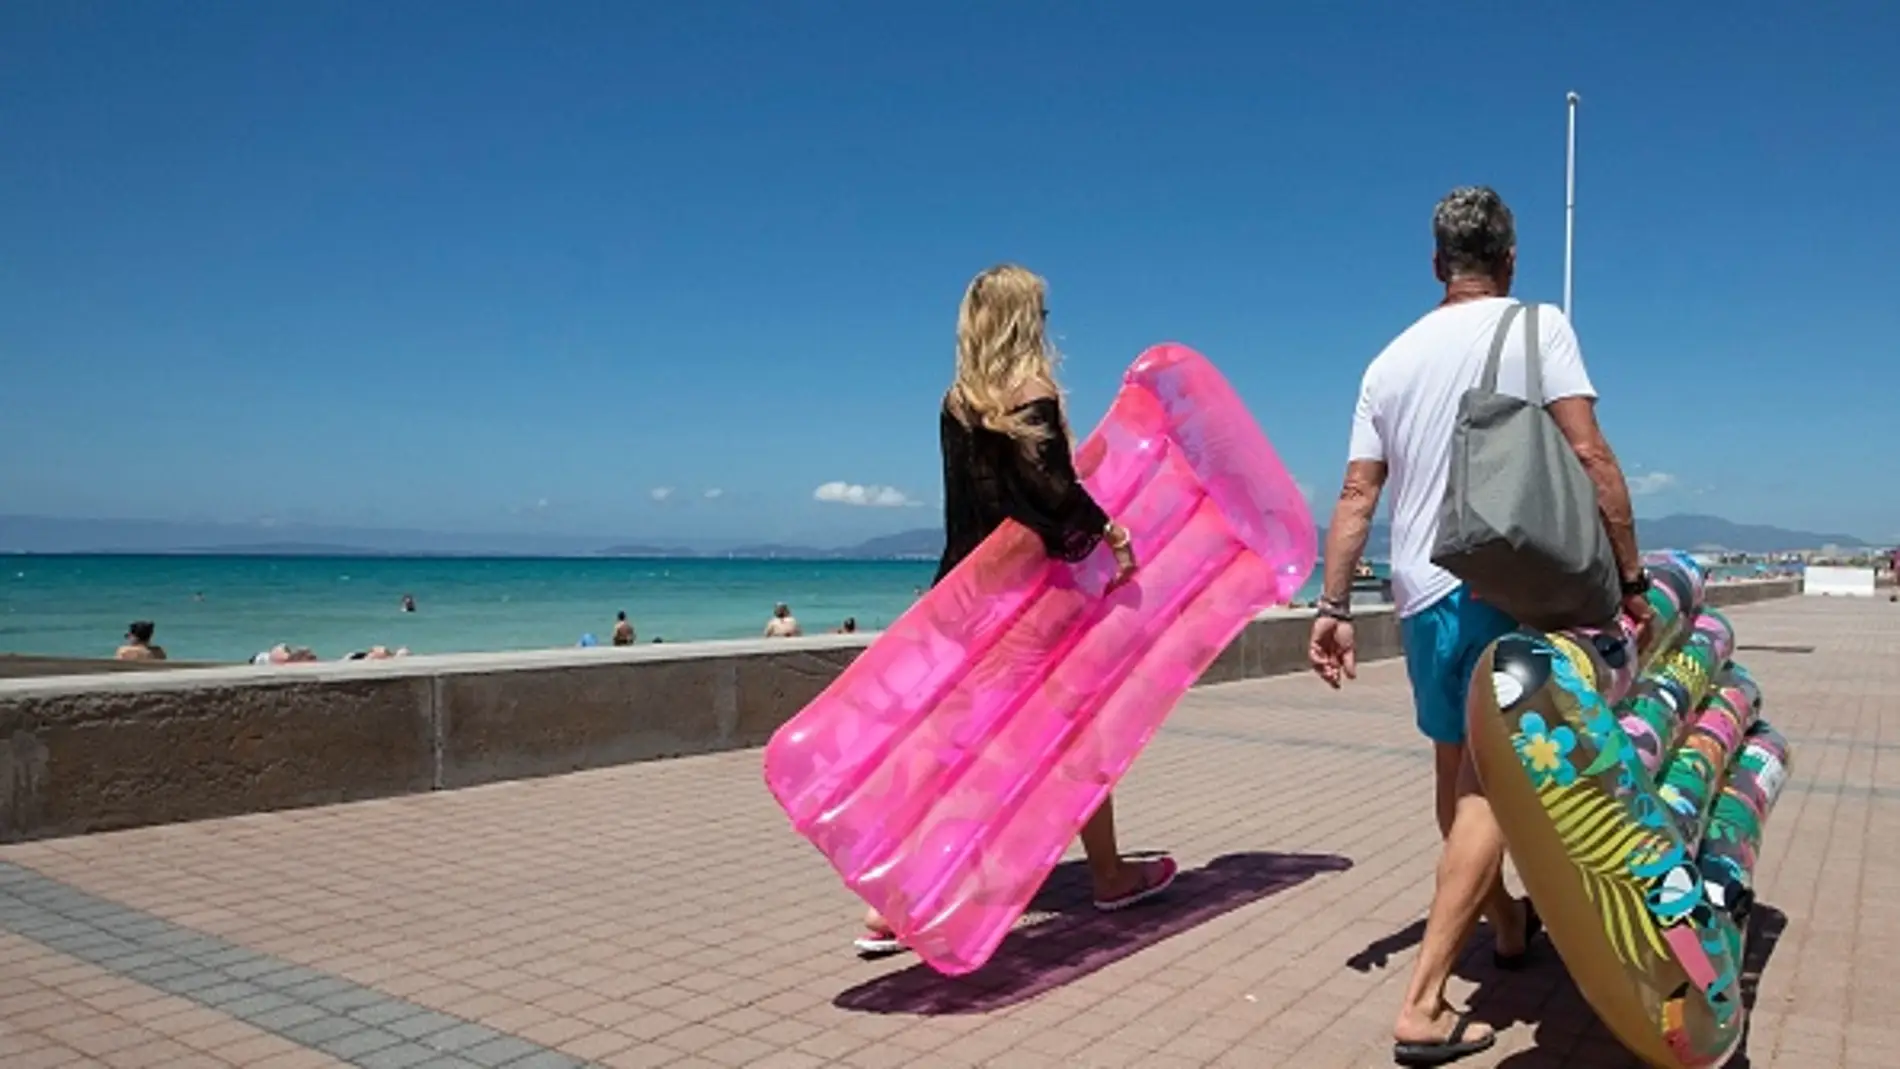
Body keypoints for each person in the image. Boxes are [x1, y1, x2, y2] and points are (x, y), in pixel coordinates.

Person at [1307, 187, 1653, 1066]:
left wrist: (1334, 606)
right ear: (1510, 258)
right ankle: (1423, 1001)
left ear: (1435, 265)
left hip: (1422, 594)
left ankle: (1504, 922)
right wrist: (1633, 575)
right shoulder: (1539, 328)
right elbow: (1591, 454)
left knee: (1456, 771)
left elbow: (1357, 494)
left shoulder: (1387, 361)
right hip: (1511, 584)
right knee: (1491, 790)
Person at [854, 263, 1173, 957]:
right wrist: (1114, 533)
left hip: (964, 597)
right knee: (1078, 734)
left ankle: (897, 901)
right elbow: (1054, 492)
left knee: (955, 747)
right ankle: (1111, 874)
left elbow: (974, 509)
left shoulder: (957, 402)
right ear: (1025, 321)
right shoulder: (1032, 394)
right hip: (1032, 602)